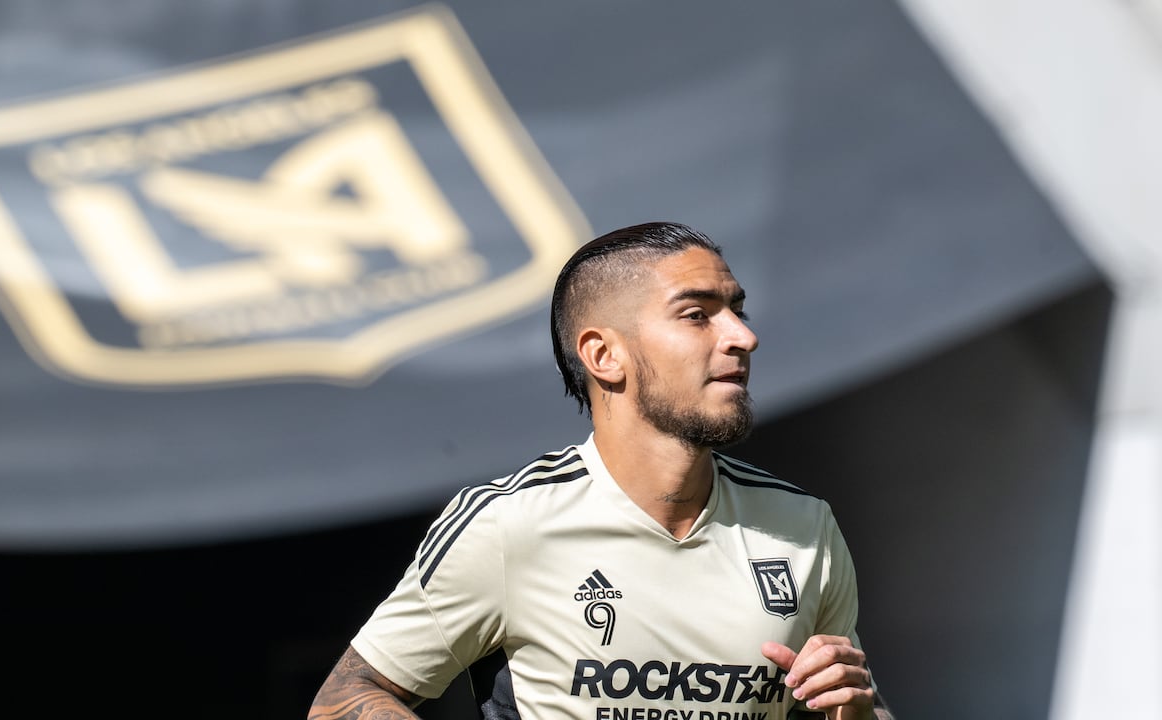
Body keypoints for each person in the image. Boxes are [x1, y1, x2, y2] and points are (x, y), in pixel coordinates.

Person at [309, 222, 894, 720]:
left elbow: (851, 705)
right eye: (697, 315)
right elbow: (347, 697)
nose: (743, 337)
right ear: (603, 355)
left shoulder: (804, 527)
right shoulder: (509, 523)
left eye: (737, 311)